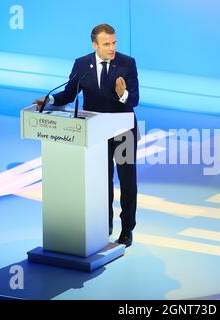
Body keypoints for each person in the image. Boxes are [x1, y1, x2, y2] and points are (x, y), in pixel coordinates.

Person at [34, 23, 139, 247]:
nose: (112, 48)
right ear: (95, 45)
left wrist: (124, 94)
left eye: (114, 43)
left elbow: (135, 100)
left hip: (124, 130)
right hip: (96, 130)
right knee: (103, 180)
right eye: (106, 44)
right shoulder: (82, 64)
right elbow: (69, 93)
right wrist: (50, 101)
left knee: (127, 181)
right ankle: (105, 224)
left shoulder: (127, 63)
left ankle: (127, 229)